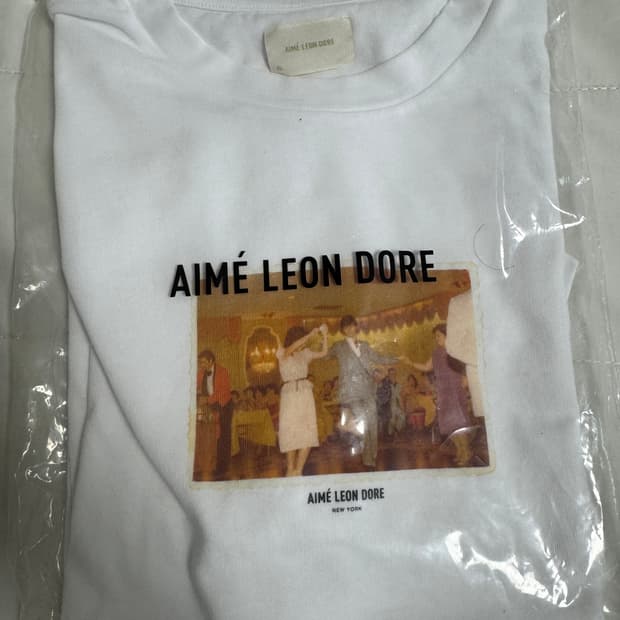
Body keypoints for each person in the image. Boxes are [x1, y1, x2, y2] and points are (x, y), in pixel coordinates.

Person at [327, 315, 400, 468]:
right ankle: (367, 459)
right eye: (346, 327)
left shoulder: (365, 345)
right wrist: (323, 337)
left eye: (351, 325)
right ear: (343, 330)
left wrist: (398, 359)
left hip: (367, 390)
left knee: (373, 422)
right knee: (364, 423)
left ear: (356, 327)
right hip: (350, 392)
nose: (349, 329)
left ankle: (371, 457)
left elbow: (378, 358)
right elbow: (325, 355)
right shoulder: (339, 346)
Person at [277, 324, 328, 476]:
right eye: (301, 339)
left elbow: (324, 352)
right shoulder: (282, 352)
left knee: (307, 432)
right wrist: (309, 336)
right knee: (290, 432)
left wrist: (325, 335)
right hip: (290, 396)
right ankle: (290, 469)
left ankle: (298, 470)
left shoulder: (305, 354)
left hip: (305, 395)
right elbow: (291, 348)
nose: (304, 343)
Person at [412, 324, 470, 438]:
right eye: (435, 336)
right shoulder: (436, 353)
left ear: (446, 335)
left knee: (460, 424)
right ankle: (458, 448)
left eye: (438, 336)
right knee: (449, 425)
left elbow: (466, 366)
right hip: (444, 392)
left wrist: (465, 378)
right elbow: (426, 367)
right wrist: (410, 363)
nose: (436, 338)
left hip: (456, 390)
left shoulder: (455, 350)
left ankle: (464, 448)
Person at [197, 349, 233, 477]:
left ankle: (223, 467)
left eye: (203, 362)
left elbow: (224, 391)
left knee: (223, 436)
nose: (201, 365)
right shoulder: (201, 373)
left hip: (224, 405)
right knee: (212, 435)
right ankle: (210, 464)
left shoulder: (223, 371)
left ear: (211, 361)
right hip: (211, 406)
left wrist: (207, 399)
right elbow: (196, 386)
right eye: (200, 362)